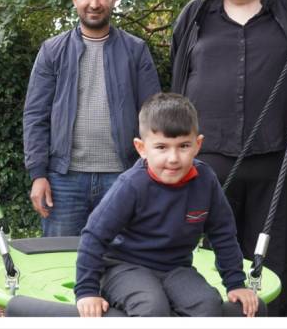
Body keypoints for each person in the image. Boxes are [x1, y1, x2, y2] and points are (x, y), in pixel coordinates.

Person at [170, 0, 287, 316]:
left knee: (276, 260)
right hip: (210, 161)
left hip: (278, 159)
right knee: (209, 257)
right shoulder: (196, 15)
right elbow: (178, 72)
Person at [74, 92, 259, 317]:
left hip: (176, 268)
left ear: (198, 144)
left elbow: (223, 233)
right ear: (141, 148)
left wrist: (236, 283)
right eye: (161, 147)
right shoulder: (131, 185)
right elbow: (94, 234)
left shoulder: (205, 180)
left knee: (208, 304)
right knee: (152, 306)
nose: (173, 158)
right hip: (123, 266)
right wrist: (87, 290)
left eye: (183, 146)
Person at [23, 0, 161, 237]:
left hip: (123, 177)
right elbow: (35, 116)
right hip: (63, 180)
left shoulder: (135, 50)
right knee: (61, 258)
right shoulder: (52, 51)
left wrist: (150, 171)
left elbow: (153, 116)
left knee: (123, 258)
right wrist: (38, 174)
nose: (94, 3)